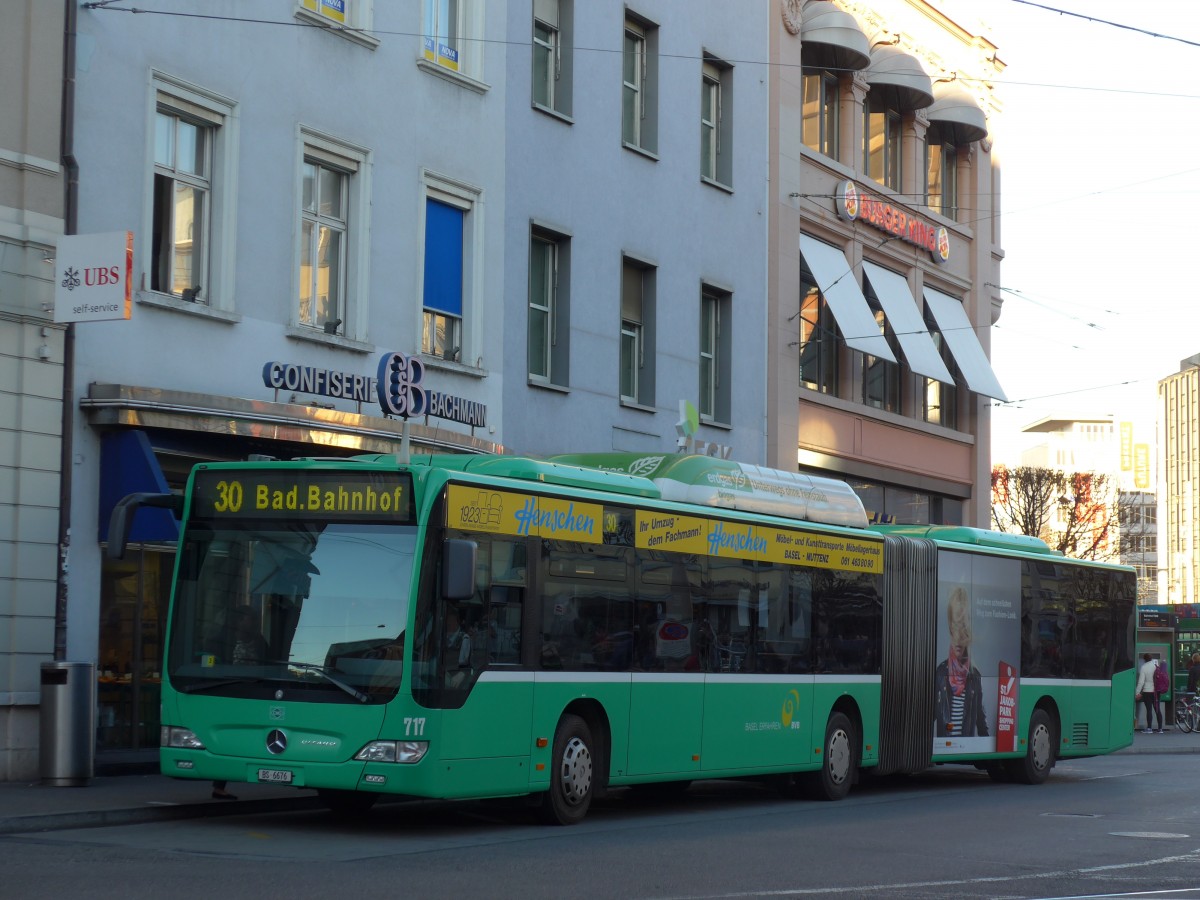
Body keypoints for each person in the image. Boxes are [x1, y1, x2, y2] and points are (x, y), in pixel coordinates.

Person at [934, 587, 989, 737]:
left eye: (963, 628)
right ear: (950, 628)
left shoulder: (975, 676)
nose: (958, 637)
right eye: (955, 627)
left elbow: (980, 721)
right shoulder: (940, 672)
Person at [1135, 652, 1162, 734]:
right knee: (1157, 709)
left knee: (1149, 710)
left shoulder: (1144, 667)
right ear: (1151, 658)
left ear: (1144, 659)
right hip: (1156, 692)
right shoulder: (1156, 666)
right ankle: (1160, 729)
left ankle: (1149, 728)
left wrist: (1137, 692)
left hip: (1147, 691)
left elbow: (1141, 682)